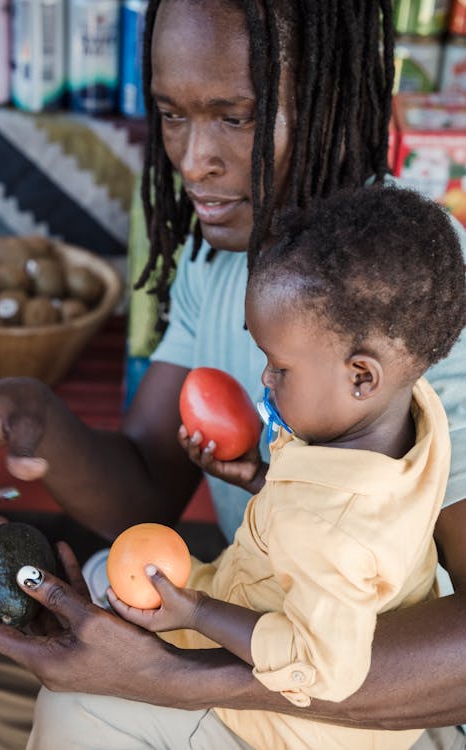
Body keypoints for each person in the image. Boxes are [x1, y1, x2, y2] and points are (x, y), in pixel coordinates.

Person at [0, 1, 463, 749]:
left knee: (72, 714)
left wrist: (171, 676)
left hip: (364, 713)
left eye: (235, 118)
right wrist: (35, 416)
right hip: (245, 618)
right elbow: (147, 491)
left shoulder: (410, 306)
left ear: (330, 94)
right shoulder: (222, 252)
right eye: (172, 114)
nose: (193, 158)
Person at [104, 183, 465, 750]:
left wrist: (197, 613)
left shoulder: (324, 527)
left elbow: (323, 668)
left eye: (279, 367)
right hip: (289, 611)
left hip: (287, 728)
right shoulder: (413, 418)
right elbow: (349, 527)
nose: (265, 381)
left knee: (77, 706)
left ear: (362, 377)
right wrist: (262, 480)